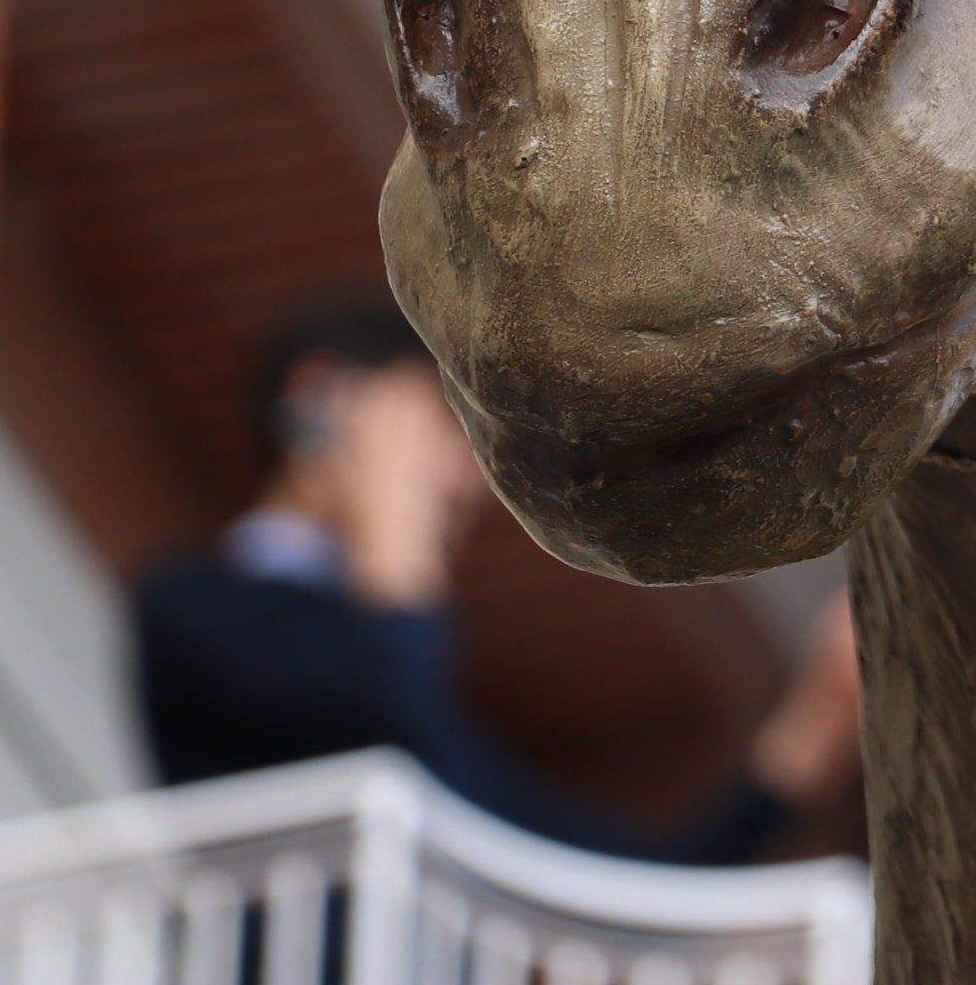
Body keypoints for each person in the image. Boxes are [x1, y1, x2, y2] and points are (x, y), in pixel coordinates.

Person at [132, 293, 861, 861]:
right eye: (444, 427)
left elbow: (622, 877)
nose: (465, 483)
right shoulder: (188, 604)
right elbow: (382, 711)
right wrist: (392, 526)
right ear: (322, 397)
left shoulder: (410, 690)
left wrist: (810, 729)